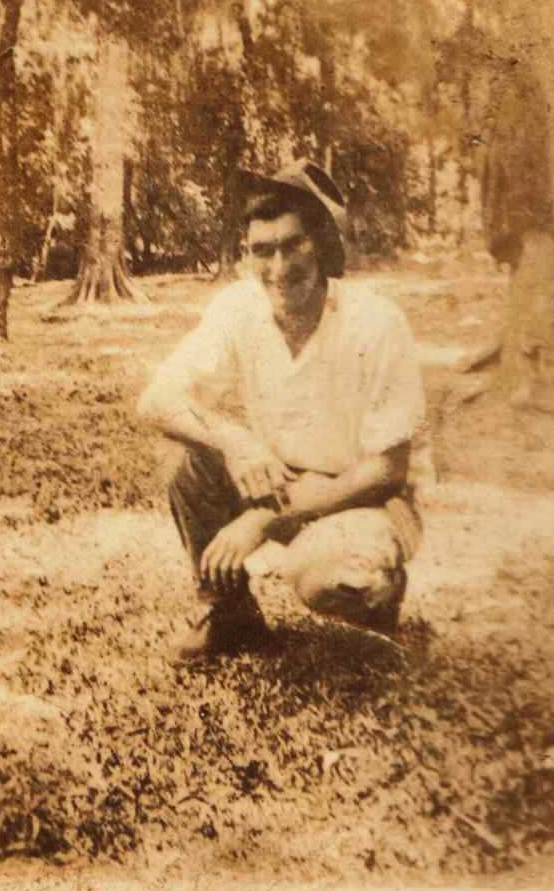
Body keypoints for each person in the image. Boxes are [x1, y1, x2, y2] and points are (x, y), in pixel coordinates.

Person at [137, 158, 430, 663]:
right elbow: (155, 400)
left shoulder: (377, 322)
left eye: (294, 245)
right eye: (262, 251)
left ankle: (378, 597)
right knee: (187, 461)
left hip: (363, 497)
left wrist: (266, 520)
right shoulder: (239, 308)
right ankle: (230, 616)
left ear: (324, 243)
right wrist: (236, 442)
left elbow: (387, 470)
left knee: (326, 580)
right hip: (283, 478)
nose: (278, 268)